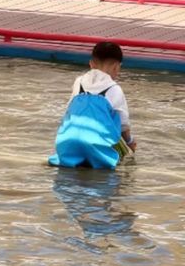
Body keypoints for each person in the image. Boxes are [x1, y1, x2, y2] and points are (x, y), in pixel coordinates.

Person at [49, 41, 136, 170]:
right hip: (97, 147)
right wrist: (130, 143)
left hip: (67, 143)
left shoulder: (79, 82)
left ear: (91, 64)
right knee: (124, 161)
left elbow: (69, 111)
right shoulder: (114, 89)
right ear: (117, 67)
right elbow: (124, 126)